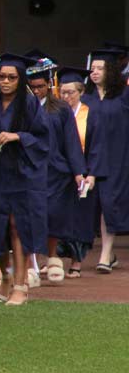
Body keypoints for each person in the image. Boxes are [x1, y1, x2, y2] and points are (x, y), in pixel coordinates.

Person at [0, 53, 49, 306]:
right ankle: (5, 276)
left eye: (11, 77)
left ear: (20, 79)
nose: (5, 81)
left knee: (18, 227)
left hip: (21, 173)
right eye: (2, 77)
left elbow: (43, 139)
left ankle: (20, 285)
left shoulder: (29, 104)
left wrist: (18, 136)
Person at [37, 67, 87, 284]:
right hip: (30, 170)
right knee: (30, 216)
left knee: (53, 214)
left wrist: (78, 171)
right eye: (33, 86)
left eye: (40, 86)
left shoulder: (60, 108)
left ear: (49, 84)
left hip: (56, 171)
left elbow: (71, 141)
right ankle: (30, 264)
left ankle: (52, 255)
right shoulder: (21, 108)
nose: (36, 90)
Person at [84, 48, 127, 274]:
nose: (95, 72)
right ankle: (108, 254)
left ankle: (104, 255)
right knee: (95, 206)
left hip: (116, 159)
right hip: (90, 160)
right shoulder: (86, 99)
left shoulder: (123, 97)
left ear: (111, 71)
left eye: (100, 68)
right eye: (93, 68)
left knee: (109, 205)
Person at [56, 67, 101, 278]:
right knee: (58, 216)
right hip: (60, 175)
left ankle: (76, 262)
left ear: (81, 92)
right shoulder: (55, 113)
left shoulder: (91, 114)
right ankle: (53, 260)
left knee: (81, 219)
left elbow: (97, 147)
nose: (66, 97)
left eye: (70, 92)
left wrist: (91, 173)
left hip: (83, 175)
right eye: (62, 92)